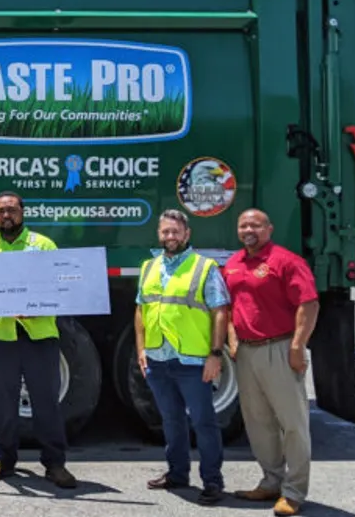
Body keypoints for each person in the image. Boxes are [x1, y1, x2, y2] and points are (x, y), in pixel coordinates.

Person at [0, 191, 77, 488]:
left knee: (46, 403)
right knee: (4, 403)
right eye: (0, 211)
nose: (6, 216)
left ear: (23, 212)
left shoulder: (43, 245)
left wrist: (38, 307)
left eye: (11, 210)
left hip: (39, 336)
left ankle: (55, 464)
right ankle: (3, 459)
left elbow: (60, 287)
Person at [223, 209, 320, 517]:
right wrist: (232, 338)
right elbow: (228, 305)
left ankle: (293, 493)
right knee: (258, 422)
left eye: (256, 224)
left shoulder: (286, 261)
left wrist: (297, 345)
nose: (249, 229)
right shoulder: (234, 263)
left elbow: (309, 303)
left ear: (269, 228)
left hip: (278, 348)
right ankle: (271, 482)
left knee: (292, 423)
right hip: (247, 353)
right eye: (243, 225)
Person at [135, 209, 229, 504]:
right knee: (170, 420)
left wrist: (215, 354)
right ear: (159, 234)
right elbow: (141, 310)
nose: (170, 236)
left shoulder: (204, 267)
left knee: (203, 422)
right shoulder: (149, 266)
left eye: (175, 232)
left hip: (192, 361)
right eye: (165, 232)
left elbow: (220, 311)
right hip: (158, 359)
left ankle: (212, 481)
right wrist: (141, 349)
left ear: (187, 234)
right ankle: (177, 473)